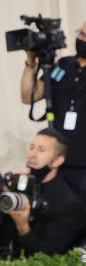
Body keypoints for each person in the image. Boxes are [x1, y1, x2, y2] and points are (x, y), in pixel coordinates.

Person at [0, 129, 86, 257]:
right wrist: (6, 190)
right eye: (32, 147)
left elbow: (49, 255)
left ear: (58, 160)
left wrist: (23, 227)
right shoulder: (20, 187)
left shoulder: (68, 204)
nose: (32, 154)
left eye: (41, 150)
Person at [21, 20, 86, 195]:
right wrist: (31, 63)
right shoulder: (63, 65)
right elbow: (29, 96)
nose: (82, 39)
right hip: (55, 160)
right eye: (81, 34)